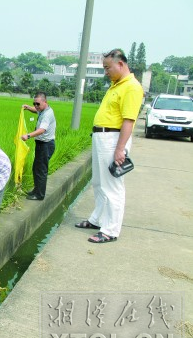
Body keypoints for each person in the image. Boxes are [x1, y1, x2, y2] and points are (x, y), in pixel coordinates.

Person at [75, 49, 143, 244]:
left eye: (107, 67)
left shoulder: (131, 87)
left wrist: (120, 149)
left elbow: (129, 121)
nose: (106, 71)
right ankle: (97, 219)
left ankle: (111, 230)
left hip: (113, 139)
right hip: (102, 137)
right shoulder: (116, 85)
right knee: (98, 182)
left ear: (120, 64)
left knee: (112, 186)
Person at [21, 92, 57, 201]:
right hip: (41, 145)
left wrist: (28, 135)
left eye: (38, 104)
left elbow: (42, 130)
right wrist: (28, 108)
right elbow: (35, 110)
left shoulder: (47, 114)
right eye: (34, 103)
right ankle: (36, 190)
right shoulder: (42, 110)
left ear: (45, 102)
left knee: (41, 170)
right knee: (36, 168)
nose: (36, 106)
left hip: (46, 145)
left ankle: (39, 195)